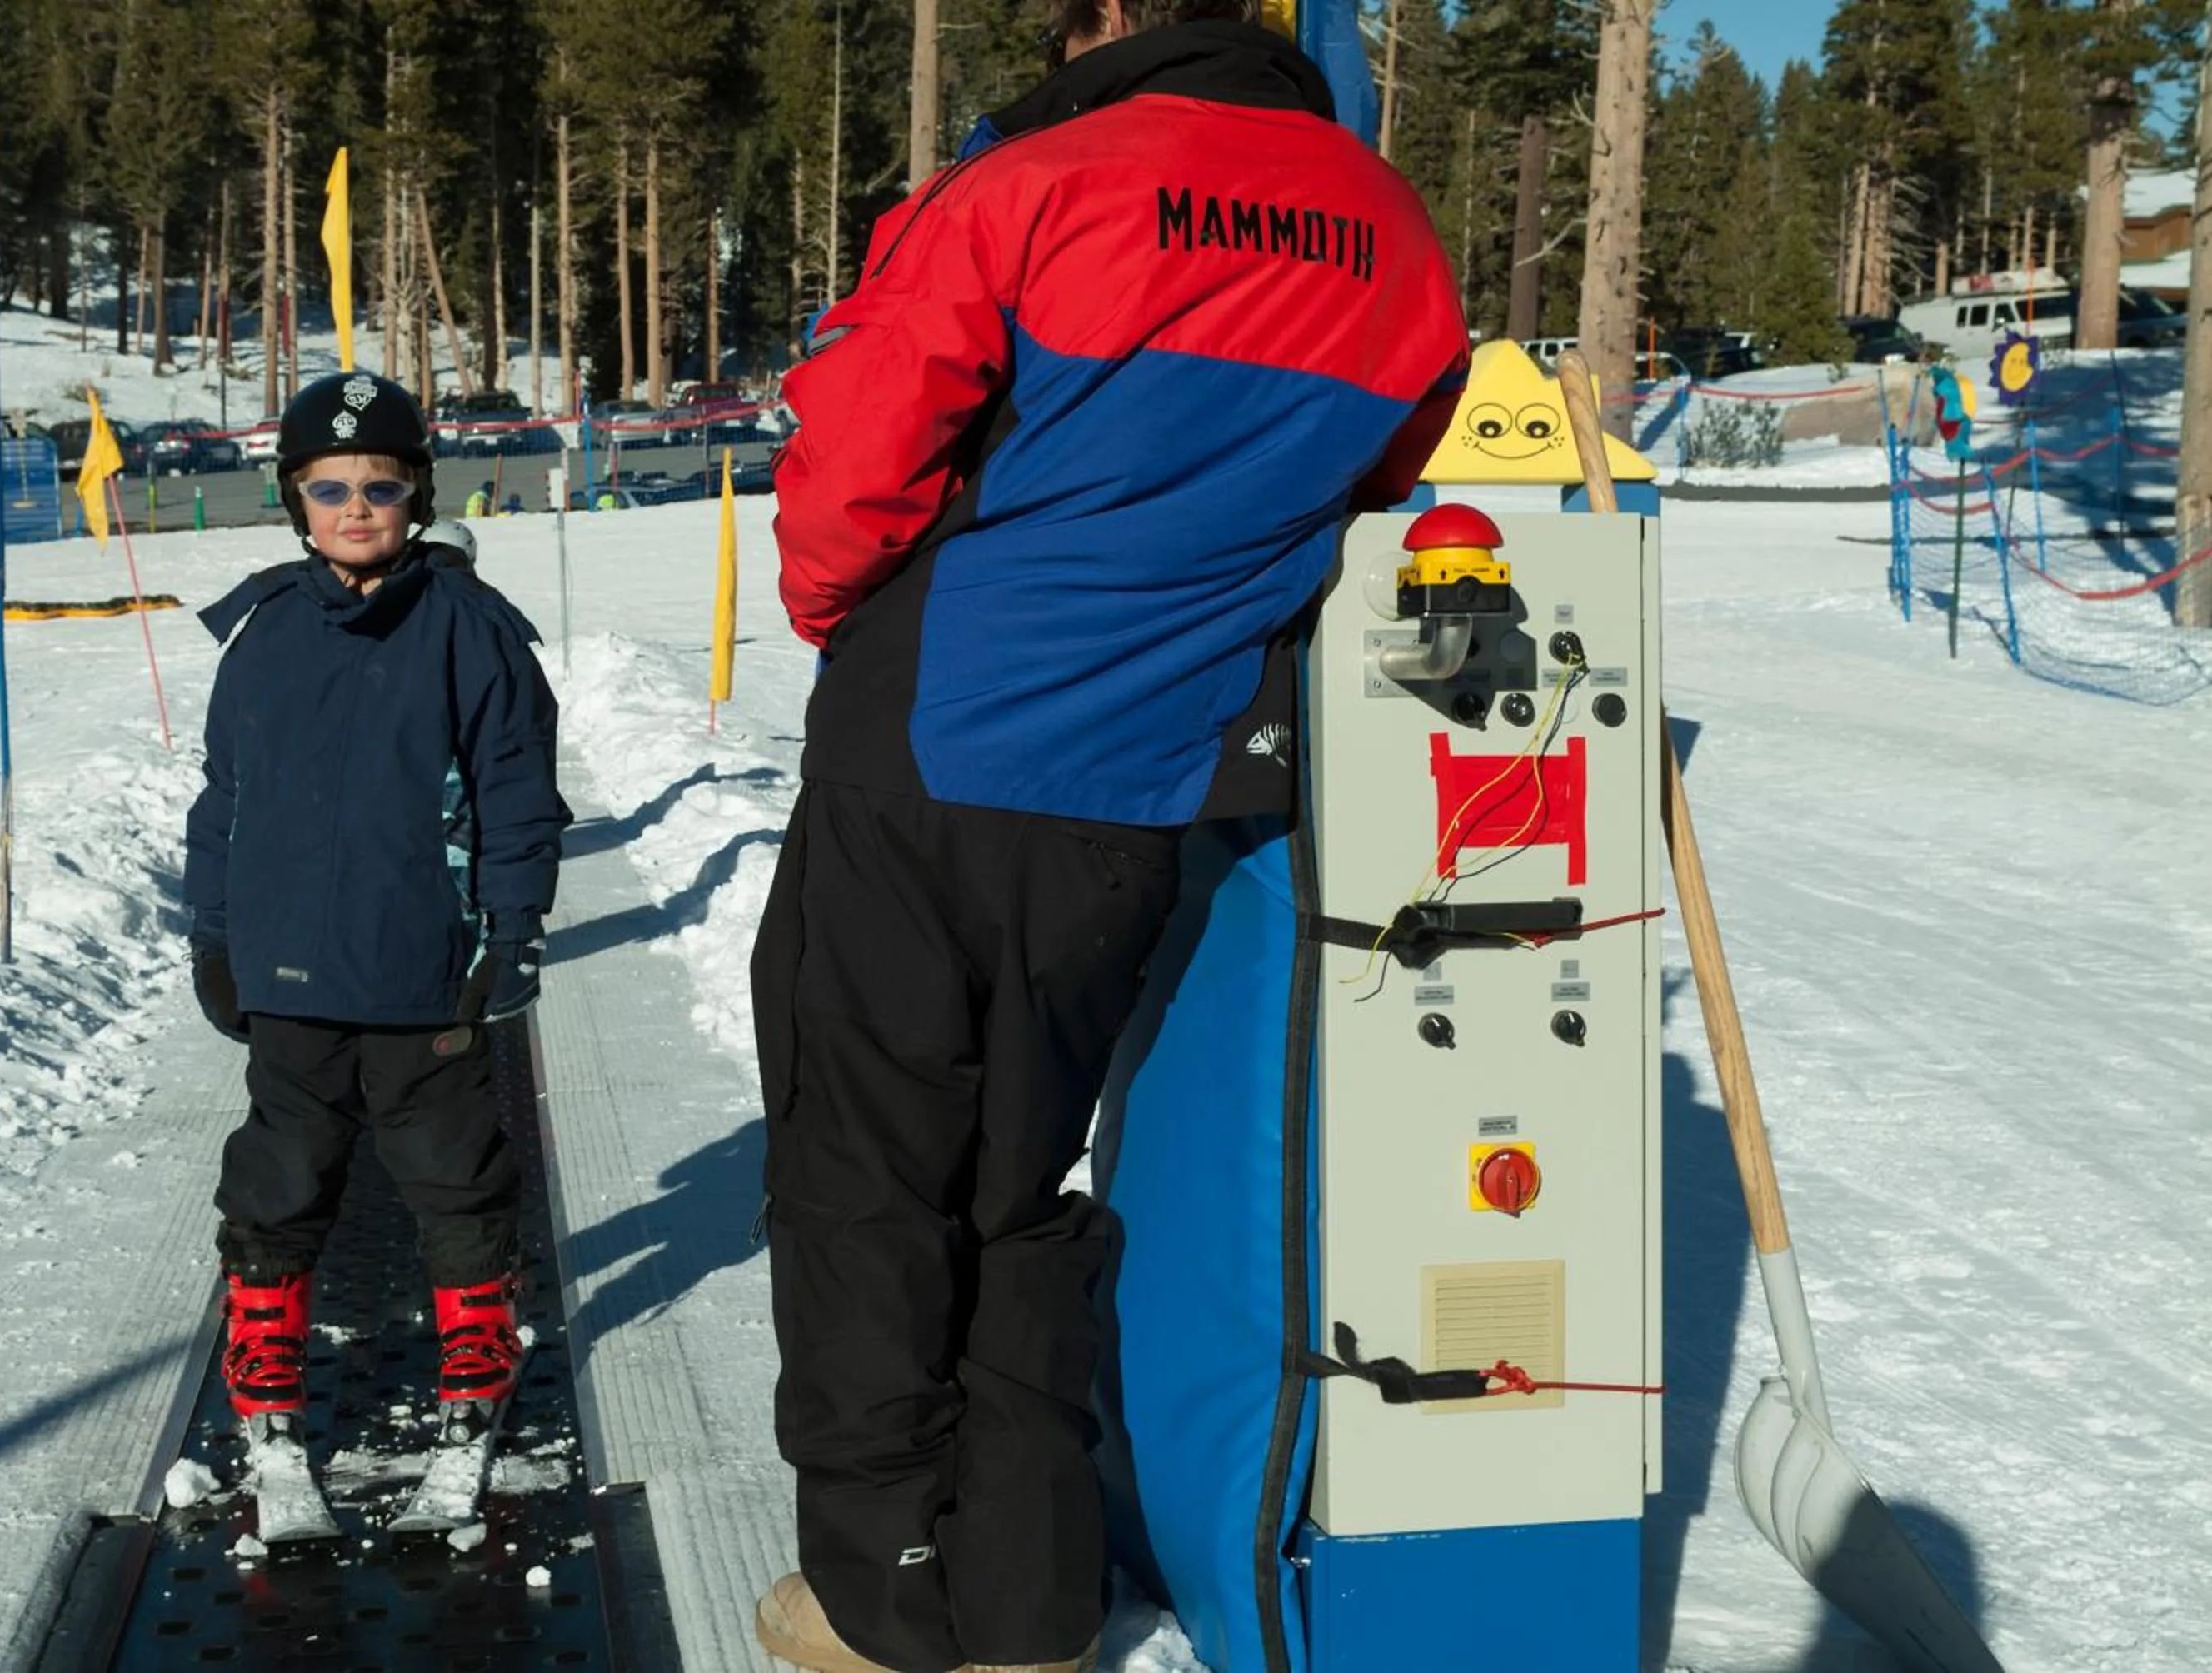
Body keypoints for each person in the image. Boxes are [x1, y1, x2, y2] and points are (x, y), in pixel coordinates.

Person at [746, 4, 1469, 1671]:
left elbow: (851, 456)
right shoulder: (1394, 241)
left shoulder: (1040, 180)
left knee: (863, 1180)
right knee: (1018, 1182)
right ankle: (1027, 1594)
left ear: (1120, 23)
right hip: (1144, 781)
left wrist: (833, 606)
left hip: (933, 742)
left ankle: (876, 1600)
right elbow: (1376, 480)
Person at [182, 371, 572, 1456]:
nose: (356, 507)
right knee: (282, 1168)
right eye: (329, 487)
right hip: (288, 966)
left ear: (420, 495)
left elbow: (517, 796)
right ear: (293, 497)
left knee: (452, 1166)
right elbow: (226, 798)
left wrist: (511, 929)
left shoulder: (471, 630)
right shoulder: (262, 633)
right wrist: (212, 932)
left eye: (382, 486)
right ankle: (263, 1344)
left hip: (424, 968)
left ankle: (478, 1337)